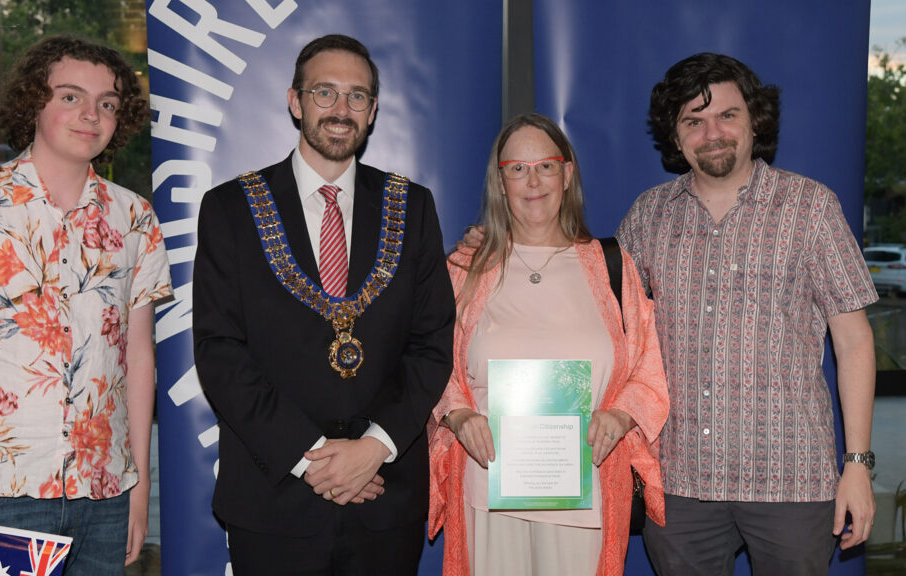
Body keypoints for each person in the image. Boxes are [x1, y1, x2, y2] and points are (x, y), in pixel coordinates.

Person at [0, 36, 172, 575]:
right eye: (70, 97)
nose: (91, 114)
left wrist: (138, 489)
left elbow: (137, 359)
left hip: (104, 497)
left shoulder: (134, 218)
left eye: (107, 103)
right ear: (32, 104)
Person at [192, 34, 455, 575]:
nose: (341, 109)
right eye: (325, 93)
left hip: (384, 493)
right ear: (295, 101)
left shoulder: (414, 206)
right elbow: (220, 352)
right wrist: (311, 457)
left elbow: (431, 345)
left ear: (374, 111)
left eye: (357, 96)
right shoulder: (231, 208)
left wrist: (373, 447)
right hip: (272, 499)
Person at [616, 53, 877, 575]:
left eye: (727, 115)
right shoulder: (648, 215)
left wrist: (858, 465)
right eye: (693, 120)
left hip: (792, 481)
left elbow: (854, 342)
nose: (712, 132)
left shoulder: (812, 208)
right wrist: (494, 247)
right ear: (676, 135)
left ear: (755, 120)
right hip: (681, 484)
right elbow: (603, 315)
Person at [428, 113, 669, 576]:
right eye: (517, 167)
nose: (532, 180)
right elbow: (432, 361)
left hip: (587, 495)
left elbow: (649, 368)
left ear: (568, 174)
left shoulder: (613, 267)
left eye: (546, 165)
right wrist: (457, 415)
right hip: (487, 491)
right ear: (500, 182)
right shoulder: (464, 270)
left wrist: (620, 415)